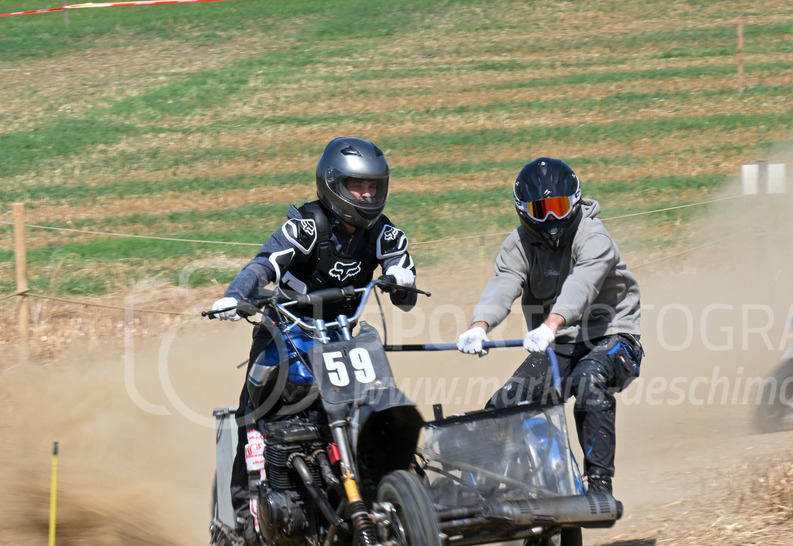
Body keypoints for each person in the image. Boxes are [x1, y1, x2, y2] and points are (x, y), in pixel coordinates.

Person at [210, 136, 417, 525]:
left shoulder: (384, 233)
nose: (367, 194)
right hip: (287, 330)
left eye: (373, 186)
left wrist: (401, 278)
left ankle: (384, 485)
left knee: (377, 400)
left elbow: (404, 288)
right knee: (253, 412)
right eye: (358, 186)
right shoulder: (305, 228)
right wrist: (235, 296)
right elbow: (264, 264)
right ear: (334, 185)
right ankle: (239, 514)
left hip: (343, 336)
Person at [456, 157, 643, 496]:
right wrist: (479, 325)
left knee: (589, 380)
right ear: (523, 211)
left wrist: (550, 324)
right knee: (506, 403)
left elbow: (582, 284)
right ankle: (485, 492)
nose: (551, 219)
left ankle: (599, 486)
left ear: (574, 202)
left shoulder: (593, 235)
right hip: (560, 343)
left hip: (612, 336)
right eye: (540, 210)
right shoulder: (518, 245)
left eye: (558, 207)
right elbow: (504, 283)